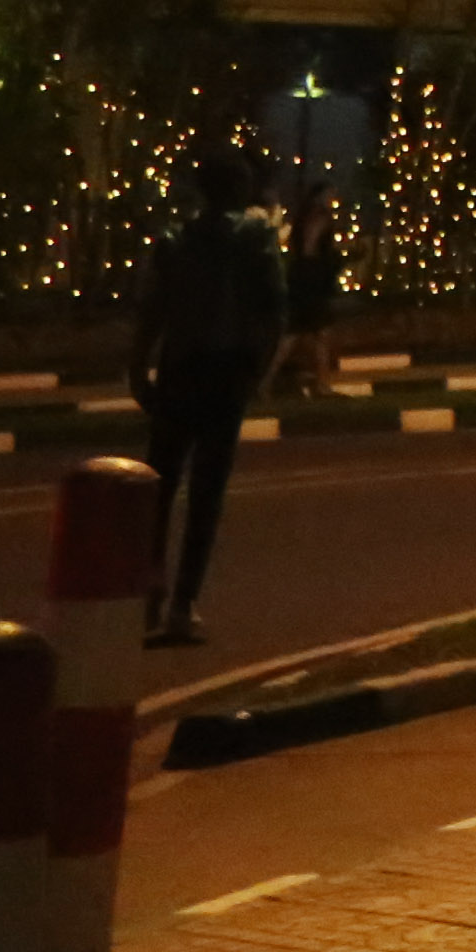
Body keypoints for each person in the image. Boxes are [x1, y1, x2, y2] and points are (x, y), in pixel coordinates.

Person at [128, 142, 286, 648]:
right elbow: (274, 310)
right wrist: (260, 371)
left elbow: (154, 308)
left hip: (180, 371)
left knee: (161, 486)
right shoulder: (257, 239)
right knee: (206, 494)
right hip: (227, 376)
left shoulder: (177, 241)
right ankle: (183, 605)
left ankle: (149, 598)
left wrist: (138, 366)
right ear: (241, 192)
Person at [272, 171, 349, 401]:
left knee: (295, 336)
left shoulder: (302, 216)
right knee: (319, 335)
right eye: (330, 194)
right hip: (311, 280)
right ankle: (322, 385)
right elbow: (310, 246)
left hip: (300, 277)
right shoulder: (319, 215)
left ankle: (266, 382)